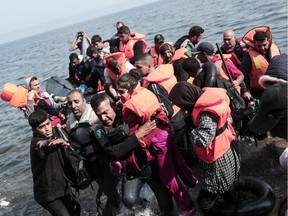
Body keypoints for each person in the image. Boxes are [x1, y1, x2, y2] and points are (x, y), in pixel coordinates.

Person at [116, 73, 198, 216]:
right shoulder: (146, 93)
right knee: (179, 162)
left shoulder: (131, 107)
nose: (119, 95)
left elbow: (135, 132)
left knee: (167, 176)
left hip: (158, 142)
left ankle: (187, 207)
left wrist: (140, 142)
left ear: (130, 90)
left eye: (122, 92)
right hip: (166, 132)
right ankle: (193, 182)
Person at [90, 92, 175, 215]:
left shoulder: (127, 112)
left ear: (113, 106)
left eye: (105, 112)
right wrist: (137, 136)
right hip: (131, 169)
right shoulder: (99, 130)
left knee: (166, 204)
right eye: (99, 115)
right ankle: (149, 211)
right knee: (129, 200)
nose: (103, 118)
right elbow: (113, 151)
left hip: (149, 162)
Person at [169, 81, 240, 216]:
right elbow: (228, 120)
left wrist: (190, 127)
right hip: (226, 150)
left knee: (204, 202)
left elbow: (203, 140)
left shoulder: (205, 114)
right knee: (228, 190)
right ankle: (235, 206)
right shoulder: (210, 100)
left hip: (218, 159)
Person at [66, 89, 121, 216]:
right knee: (111, 195)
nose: (73, 106)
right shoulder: (70, 121)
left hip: (108, 162)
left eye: (76, 101)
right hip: (93, 167)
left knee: (102, 200)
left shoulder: (95, 114)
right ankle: (119, 210)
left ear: (84, 101)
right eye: (70, 103)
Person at [135, 53, 195, 166]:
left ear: (148, 66)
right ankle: (194, 167)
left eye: (139, 67)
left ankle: (188, 171)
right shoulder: (166, 73)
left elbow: (167, 110)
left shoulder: (153, 84)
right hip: (182, 113)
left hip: (174, 120)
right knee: (187, 145)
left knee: (180, 151)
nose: (136, 70)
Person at [28, 109, 80, 216]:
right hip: (48, 195)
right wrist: (52, 144)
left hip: (63, 188)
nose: (47, 129)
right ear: (34, 130)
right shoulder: (36, 143)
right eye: (41, 127)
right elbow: (43, 145)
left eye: (47, 124)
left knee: (76, 210)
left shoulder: (56, 132)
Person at [241, 26, 280, 99]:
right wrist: (245, 91)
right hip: (259, 92)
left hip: (278, 87)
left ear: (268, 41)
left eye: (264, 45)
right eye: (258, 46)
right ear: (254, 44)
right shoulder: (249, 58)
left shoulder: (275, 49)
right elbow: (241, 76)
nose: (262, 48)